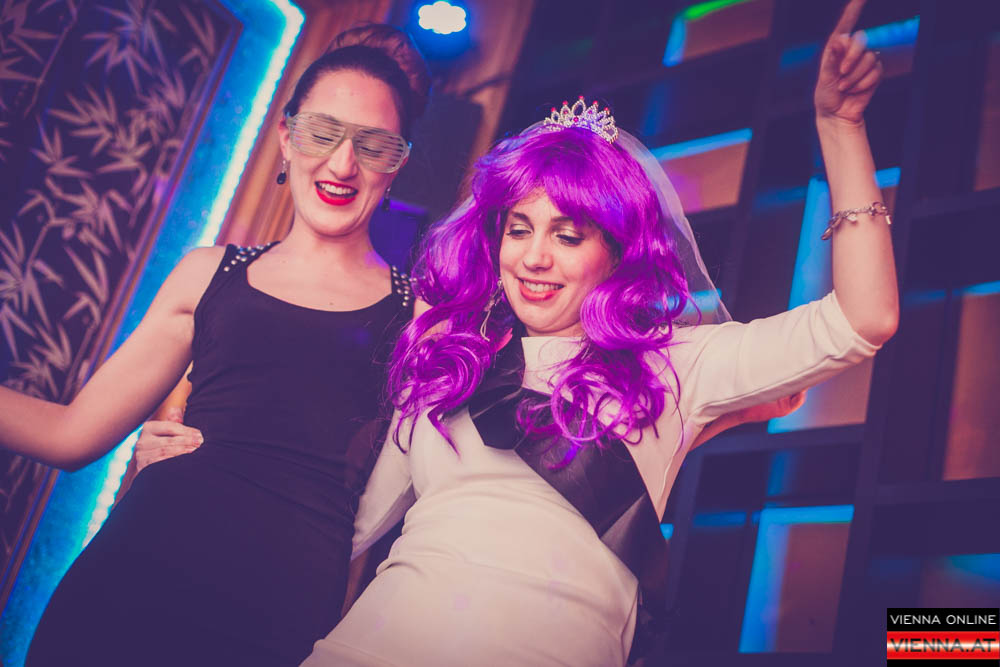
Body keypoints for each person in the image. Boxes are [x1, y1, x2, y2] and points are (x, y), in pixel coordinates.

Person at [302, 1, 896, 665]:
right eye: (519, 229)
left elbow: (863, 318)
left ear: (615, 253)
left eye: (568, 235)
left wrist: (840, 128)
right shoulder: (451, 360)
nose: (534, 257)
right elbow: (347, 531)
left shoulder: (675, 366)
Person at [0, 24, 430, 666]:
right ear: (286, 137)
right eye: (322, 133)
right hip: (127, 586)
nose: (342, 164)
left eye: (372, 146)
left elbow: (424, 500)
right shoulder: (207, 272)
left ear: (397, 163)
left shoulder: (420, 316)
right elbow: (70, 437)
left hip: (274, 620)